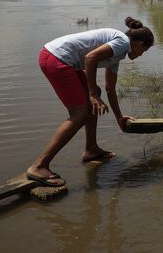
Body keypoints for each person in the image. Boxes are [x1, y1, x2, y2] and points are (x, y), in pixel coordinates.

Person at [26, 16, 154, 186]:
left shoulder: (119, 52)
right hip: (56, 58)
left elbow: (110, 89)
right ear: (139, 44)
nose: (140, 55)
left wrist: (119, 118)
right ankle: (39, 165)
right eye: (143, 52)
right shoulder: (123, 42)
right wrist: (92, 94)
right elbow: (90, 58)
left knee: (98, 92)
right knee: (80, 113)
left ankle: (91, 149)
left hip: (61, 59)